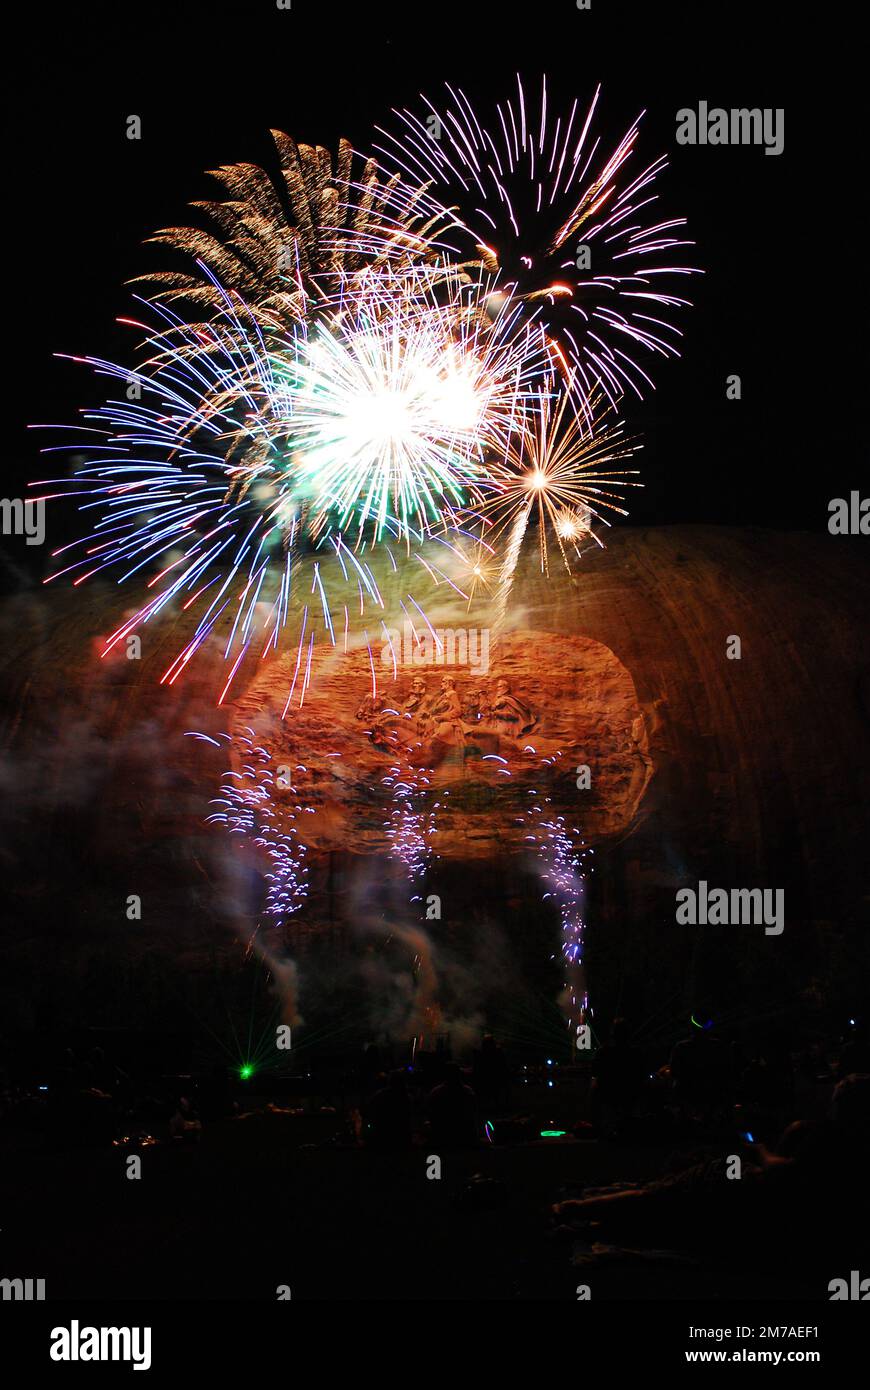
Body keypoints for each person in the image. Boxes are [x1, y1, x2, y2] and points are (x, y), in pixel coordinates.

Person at [427, 1064, 478, 1147]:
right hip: (466, 1137)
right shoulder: (468, 1092)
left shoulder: (436, 1093)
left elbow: (431, 1116)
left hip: (441, 1138)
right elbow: (474, 1115)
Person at [365, 1070, 412, 1149]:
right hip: (400, 1141)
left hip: (381, 1140)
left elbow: (369, 1115)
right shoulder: (406, 1098)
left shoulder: (379, 1096)